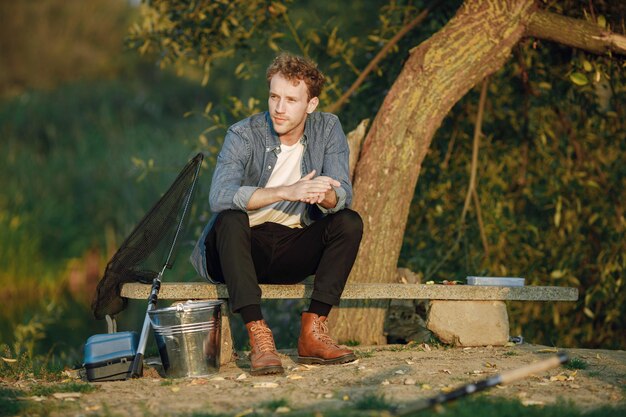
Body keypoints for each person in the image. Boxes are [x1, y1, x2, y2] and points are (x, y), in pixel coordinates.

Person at [190, 52, 363, 376]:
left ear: (311, 104)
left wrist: (325, 195)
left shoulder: (328, 129)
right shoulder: (243, 133)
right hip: (237, 249)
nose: (279, 108)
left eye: (291, 100)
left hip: (290, 247)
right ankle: (259, 336)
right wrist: (286, 191)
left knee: (349, 222)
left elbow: (343, 196)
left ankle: (313, 331)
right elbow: (219, 196)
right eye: (274, 96)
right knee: (230, 216)